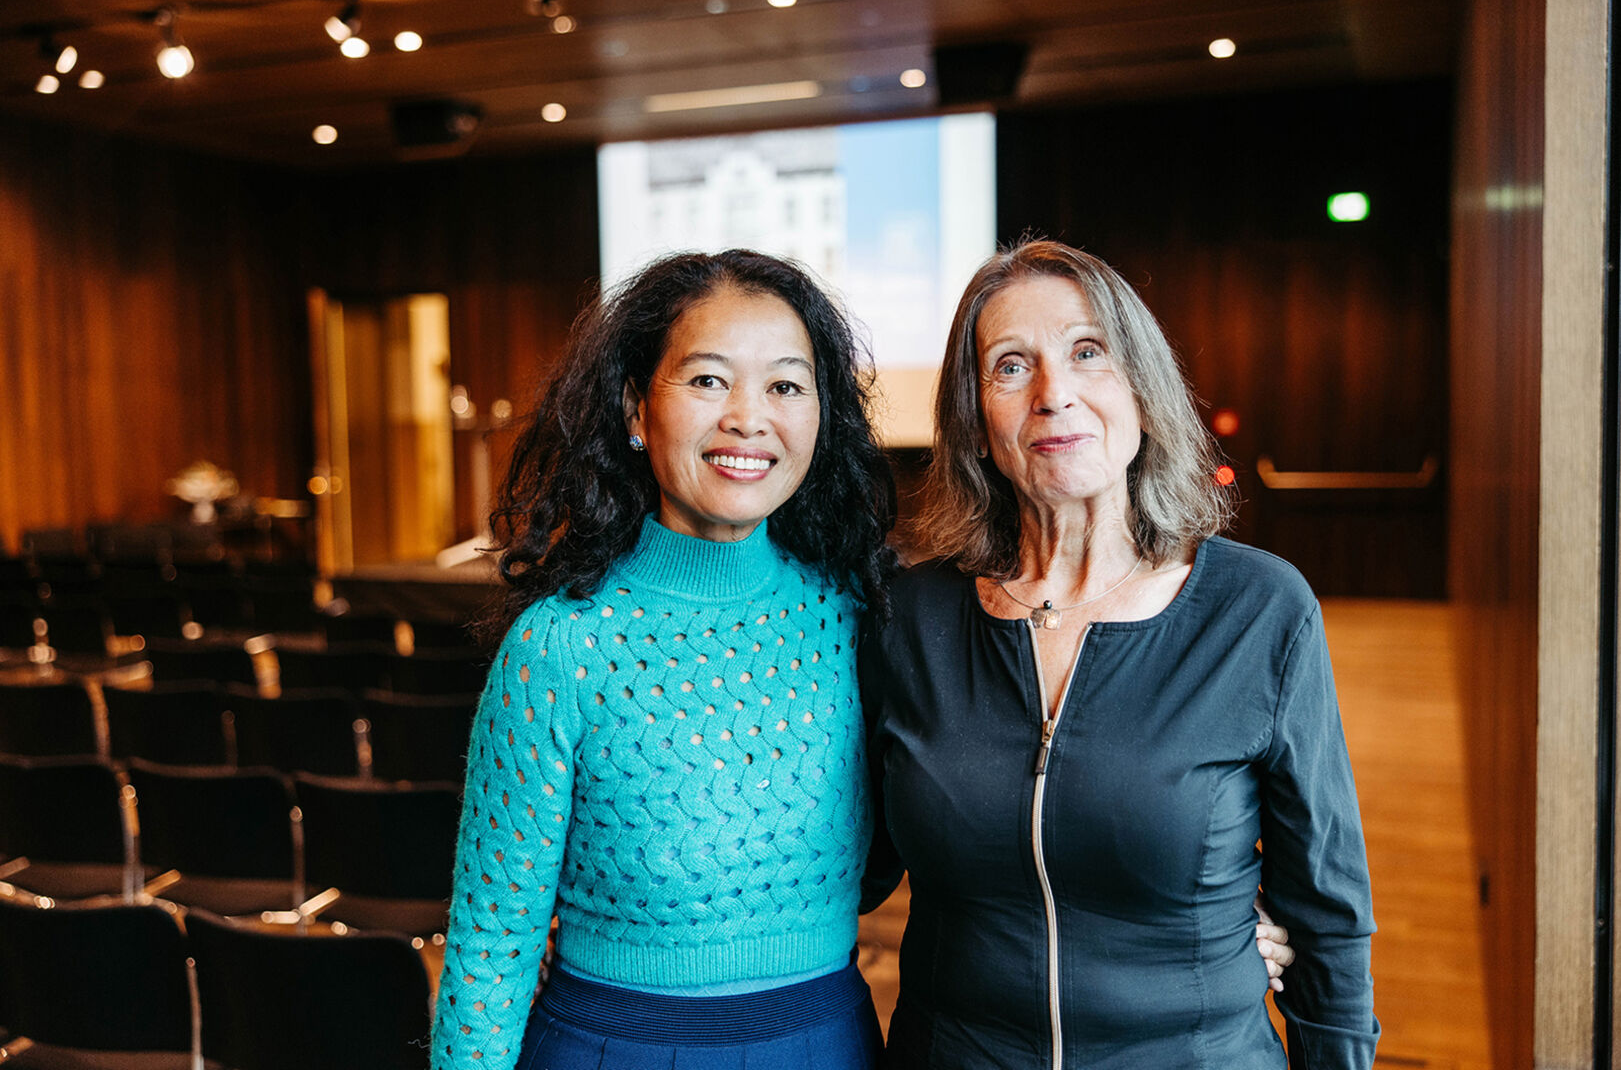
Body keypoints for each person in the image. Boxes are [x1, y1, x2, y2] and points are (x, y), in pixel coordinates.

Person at [861, 239, 1376, 1069]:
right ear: (974, 424)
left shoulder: (1258, 609)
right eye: (1008, 367)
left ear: (1141, 392)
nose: (1052, 393)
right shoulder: (909, 617)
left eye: (1087, 352)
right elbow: (849, 866)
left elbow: (1326, 907)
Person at [431, 249, 898, 1070]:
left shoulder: (856, 616)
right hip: (614, 1048)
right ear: (636, 410)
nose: (749, 418)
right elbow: (491, 946)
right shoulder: (558, 646)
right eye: (708, 381)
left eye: (785, 386)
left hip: (825, 1043)